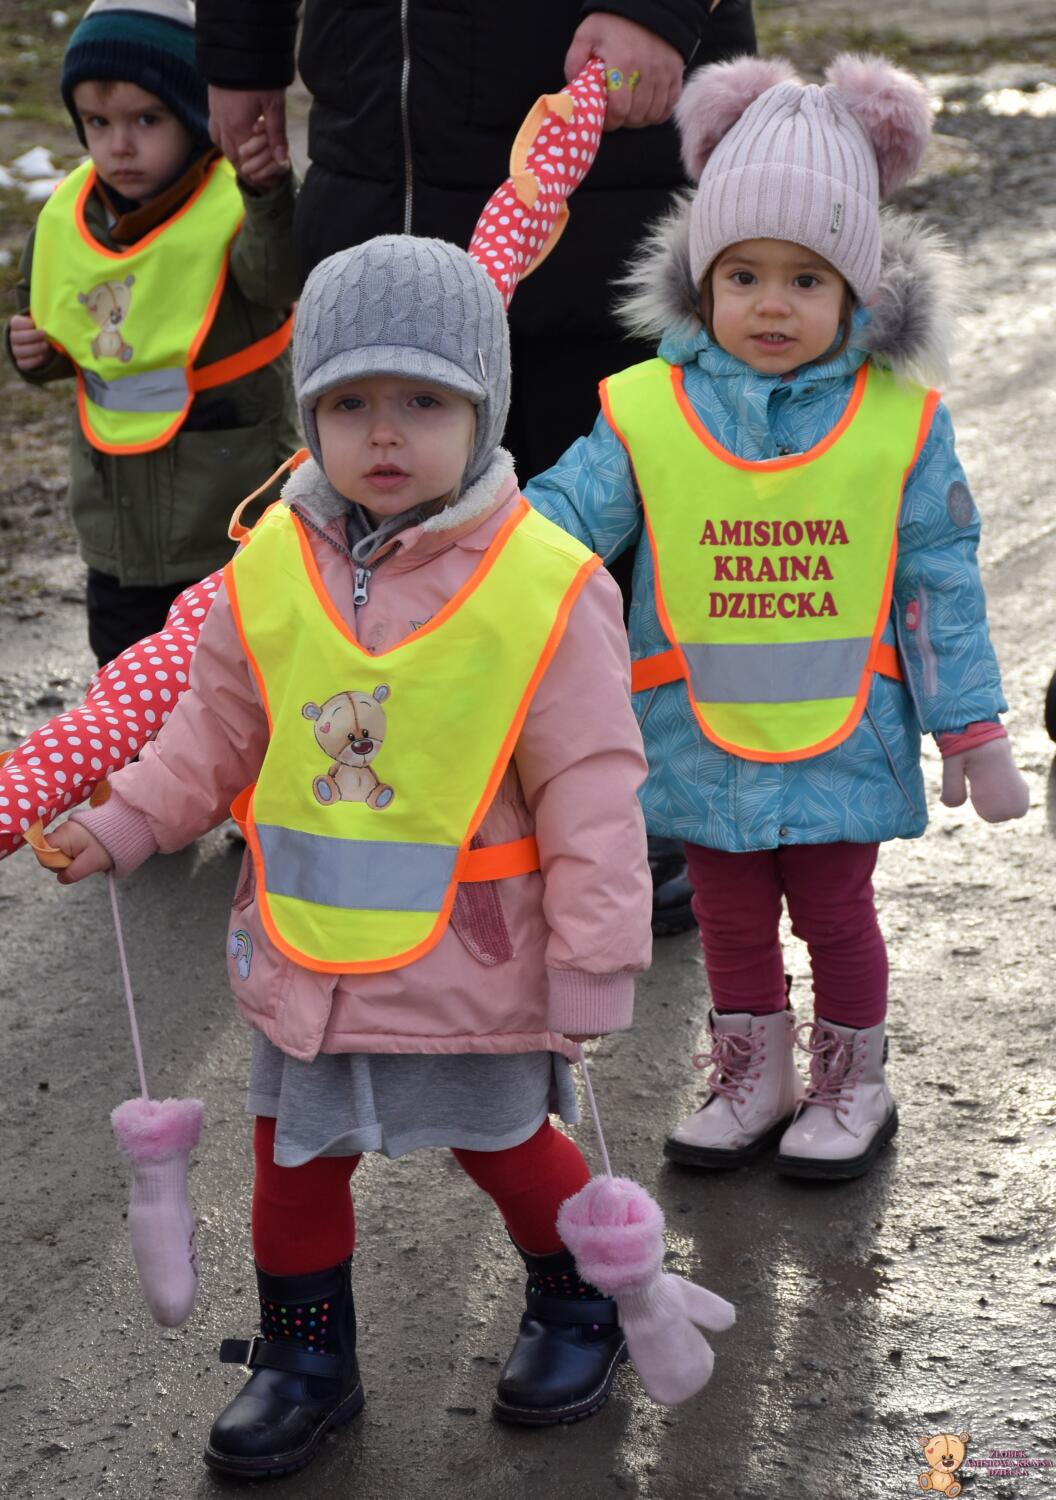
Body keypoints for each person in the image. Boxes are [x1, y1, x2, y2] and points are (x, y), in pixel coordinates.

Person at [44, 235, 652, 1477]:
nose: (384, 434)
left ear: (483, 409)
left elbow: (594, 790)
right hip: (307, 954)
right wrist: (127, 819)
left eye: (423, 401)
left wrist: (595, 960)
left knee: (505, 1144)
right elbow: (212, 731)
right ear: (309, 416)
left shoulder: (546, 585)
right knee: (293, 1158)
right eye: (349, 403)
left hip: (475, 960)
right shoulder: (270, 563)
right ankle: (304, 1358)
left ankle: (581, 1297)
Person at [525, 53, 1030, 1181]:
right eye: (743, 273)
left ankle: (856, 1081)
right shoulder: (649, 409)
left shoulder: (898, 422)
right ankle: (752, 1076)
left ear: (857, 292)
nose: (770, 303)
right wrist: (463, 536)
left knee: (838, 914)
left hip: (845, 736)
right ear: (701, 280)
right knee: (728, 916)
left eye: (806, 278)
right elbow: (560, 525)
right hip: (698, 736)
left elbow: (937, 583)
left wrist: (972, 728)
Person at [196, 0, 757, 936]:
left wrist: (655, 9)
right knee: (384, 535)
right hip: (376, 144)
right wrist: (240, 45)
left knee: (608, 532)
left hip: (596, 145)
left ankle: (631, 815)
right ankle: (388, 784)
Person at [6, 0, 300, 668]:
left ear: (193, 115)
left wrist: (268, 195)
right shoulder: (68, 218)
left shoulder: (239, 201)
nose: (120, 145)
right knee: (123, 684)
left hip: (227, 523)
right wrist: (33, 353)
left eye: (147, 119)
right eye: (98, 122)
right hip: (116, 535)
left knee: (235, 683)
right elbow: (53, 316)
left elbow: (277, 280)